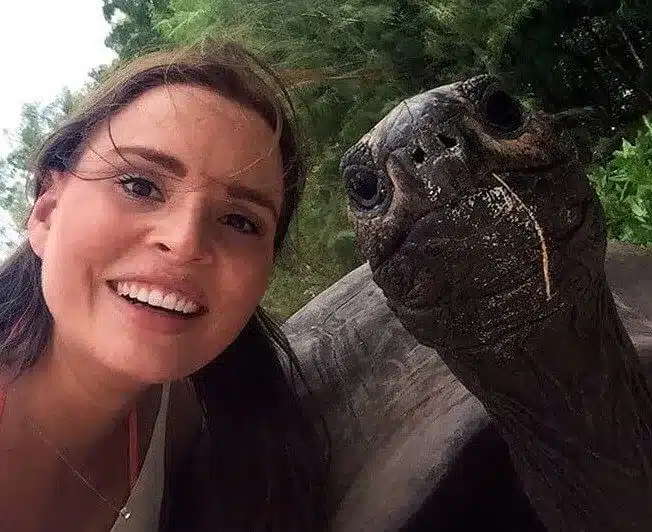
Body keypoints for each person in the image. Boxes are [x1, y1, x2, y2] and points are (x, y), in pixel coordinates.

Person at [0, 41, 329, 531]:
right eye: (139, 185)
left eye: (240, 221)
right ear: (46, 212)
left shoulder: (201, 430)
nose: (185, 241)